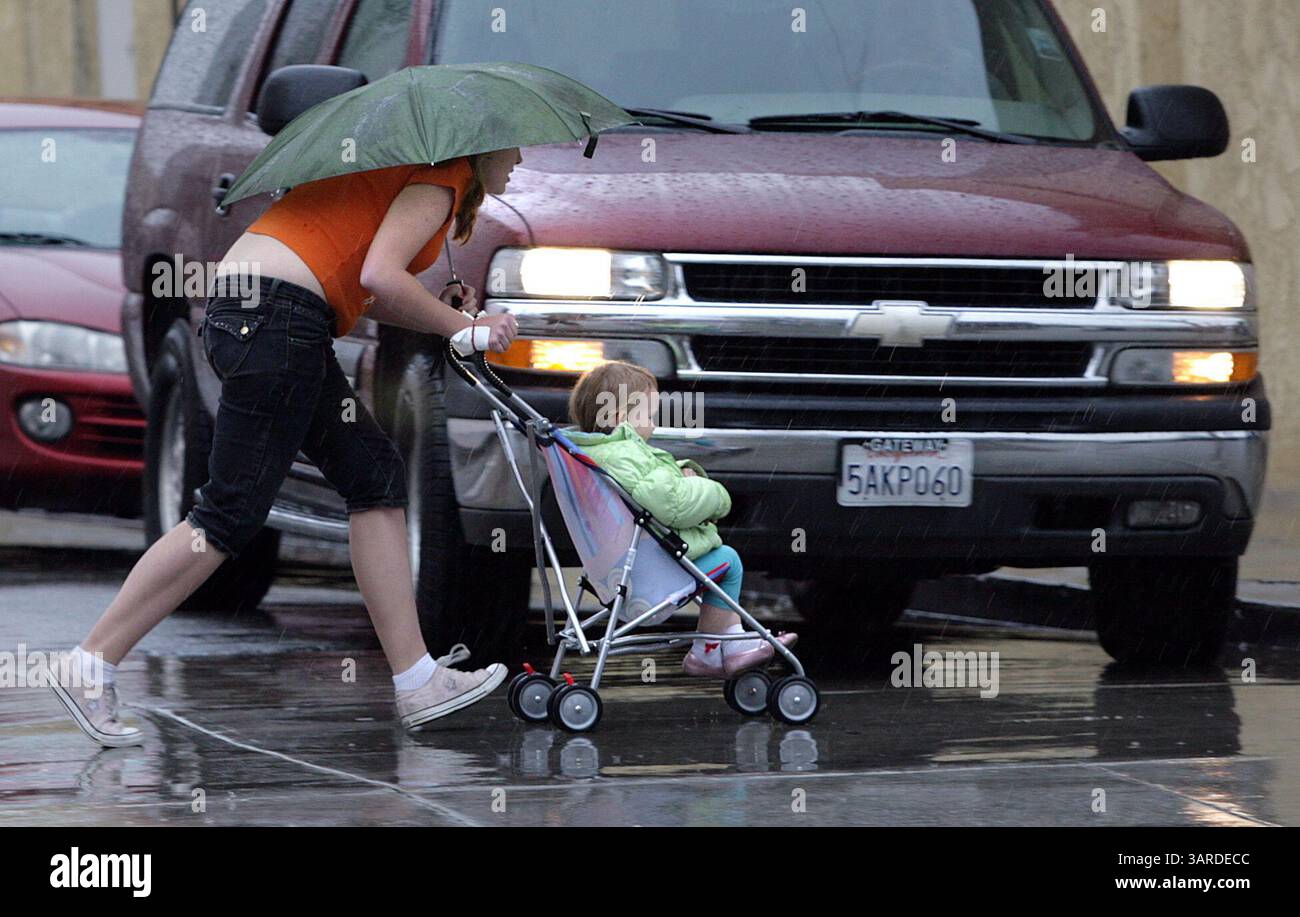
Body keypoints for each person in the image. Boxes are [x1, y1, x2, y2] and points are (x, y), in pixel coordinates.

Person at [48, 148, 524, 746]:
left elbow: (352, 278)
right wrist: (465, 328)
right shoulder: (443, 174)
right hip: (276, 320)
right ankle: (90, 662)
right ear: (483, 141)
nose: (522, 155)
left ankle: (417, 679)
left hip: (266, 314)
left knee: (373, 475)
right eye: (515, 143)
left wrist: (441, 312)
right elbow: (380, 274)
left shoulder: (404, 173)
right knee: (228, 514)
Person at [563, 361, 797, 677]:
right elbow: (670, 504)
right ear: (618, 418)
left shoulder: (590, 454)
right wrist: (714, 494)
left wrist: (678, 474)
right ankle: (709, 652)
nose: (654, 426)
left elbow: (652, 491)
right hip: (649, 579)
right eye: (647, 416)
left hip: (613, 572)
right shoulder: (625, 454)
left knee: (718, 562)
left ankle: (734, 642)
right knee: (726, 561)